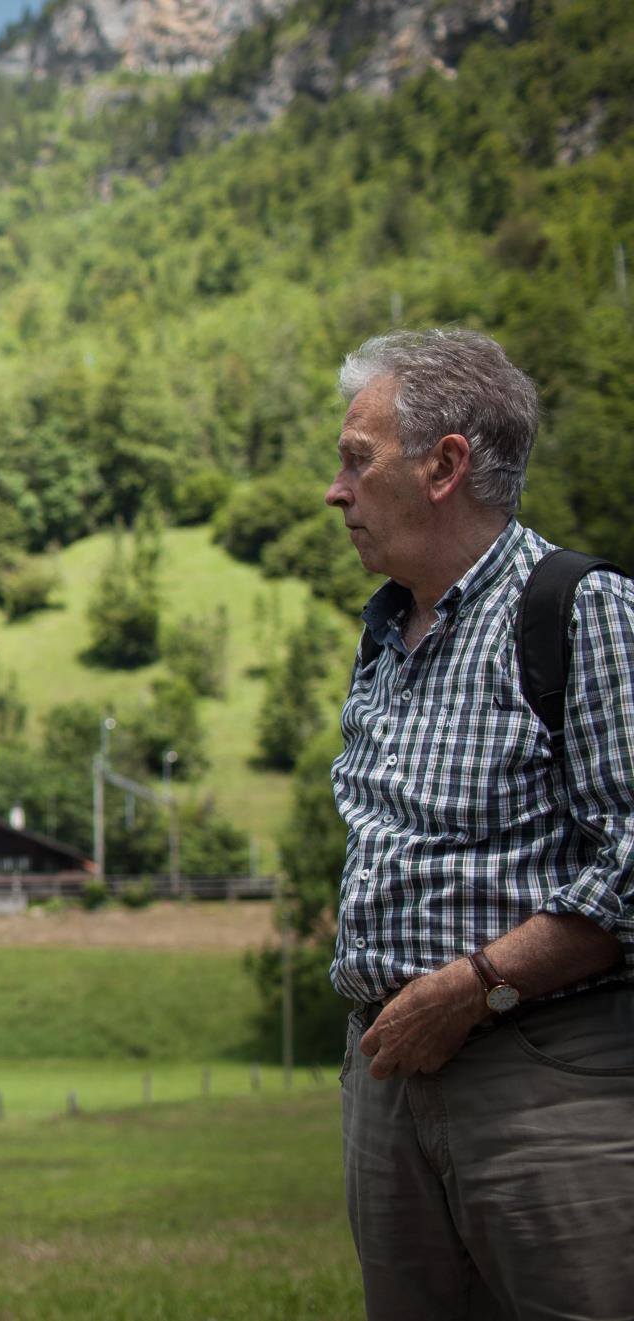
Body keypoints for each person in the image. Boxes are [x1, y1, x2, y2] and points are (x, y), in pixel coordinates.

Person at [324, 328, 634, 1319]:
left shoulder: (582, 611)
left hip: (541, 1082)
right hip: (386, 1080)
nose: (336, 492)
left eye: (357, 461)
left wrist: (476, 986)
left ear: (444, 465)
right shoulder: (385, 633)